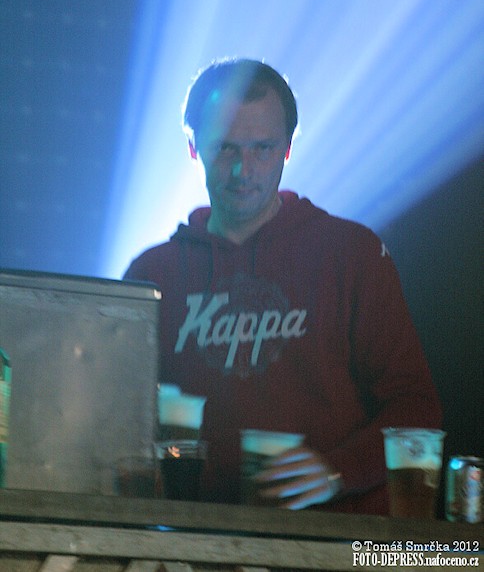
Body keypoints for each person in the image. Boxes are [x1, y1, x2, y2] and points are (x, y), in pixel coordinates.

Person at [124, 57, 442, 514]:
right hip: (193, 535)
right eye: (225, 148)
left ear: (288, 148)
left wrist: (335, 472)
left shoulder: (350, 253)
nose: (243, 170)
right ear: (194, 148)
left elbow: (417, 409)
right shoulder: (153, 273)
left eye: (262, 148)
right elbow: (115, 417)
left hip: (338, 537)